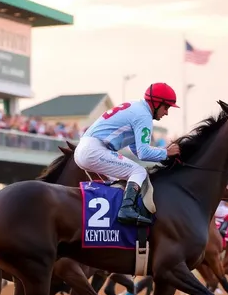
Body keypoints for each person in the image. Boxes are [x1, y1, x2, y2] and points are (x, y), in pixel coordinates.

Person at [74, 82, 181, 225]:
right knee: (139, 172)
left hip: (86, 149)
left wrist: (163, 156)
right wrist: (166, 152)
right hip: (95, 150)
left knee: (120, 183)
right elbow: (143, 153)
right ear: (156, 103)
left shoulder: (136, 107)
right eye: (166, 107)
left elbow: (137, 150)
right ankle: (126, 210)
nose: (166, 112)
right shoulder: (144, 116)